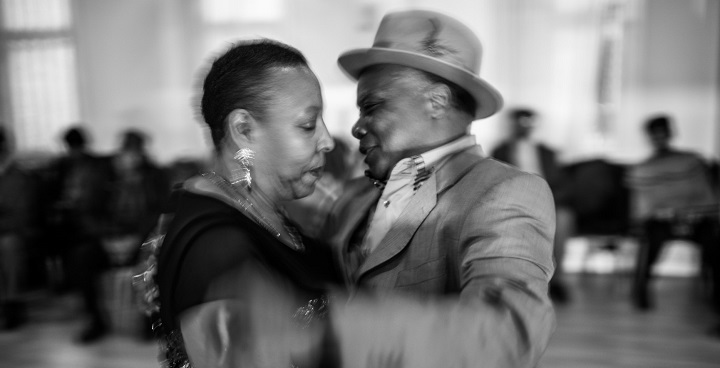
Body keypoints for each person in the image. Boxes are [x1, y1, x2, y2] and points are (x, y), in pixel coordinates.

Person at [322, 10, 556, 368]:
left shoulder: (505, 192)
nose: (357, 127)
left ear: (437, 101)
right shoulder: (354, 196)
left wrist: (328, 332)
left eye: (371, 106)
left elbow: (507, 331)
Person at [143, 39, 340, 368]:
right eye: (308, 125)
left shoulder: (256, 210)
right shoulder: (217, 248)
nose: (328, 140)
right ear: (244, 129)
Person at [626, 115, 719, 312]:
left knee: (713, 246)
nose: (660, 138)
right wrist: (662, 213)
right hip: (661, 222)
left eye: (663, 133)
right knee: (651, 243)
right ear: (649, 137)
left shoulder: (692, 161)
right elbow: (641, 206)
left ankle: (715, 300)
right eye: (655, 134)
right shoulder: (643, 169)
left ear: (670, 133)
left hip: (697, 219)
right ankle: (641, 292)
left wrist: (693, 212)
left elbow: (705, 195)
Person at [491, 108, 574, 303]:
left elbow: (560, 182)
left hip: (547, 198)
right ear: (513, 124)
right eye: (520, 122)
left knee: (564, 218)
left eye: (528, 122)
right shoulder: (500, 150)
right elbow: (495, 179)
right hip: (516, 200)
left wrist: (550, 197)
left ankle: (557, 280)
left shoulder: (547, 152)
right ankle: (516, 279)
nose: (524, 127)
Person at [47, 126, 114, 343]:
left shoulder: (97, 167)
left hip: (94, 229)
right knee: (64, 247)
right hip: (74, 228)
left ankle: (93, 316)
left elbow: (98, 202)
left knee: (80, 257)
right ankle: (72, 294)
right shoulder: (64, 166)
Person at [0, 127, 35, 330]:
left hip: (15, 232)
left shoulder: (19, 177)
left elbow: (21, 216)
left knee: (8, 247)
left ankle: (12, 303)